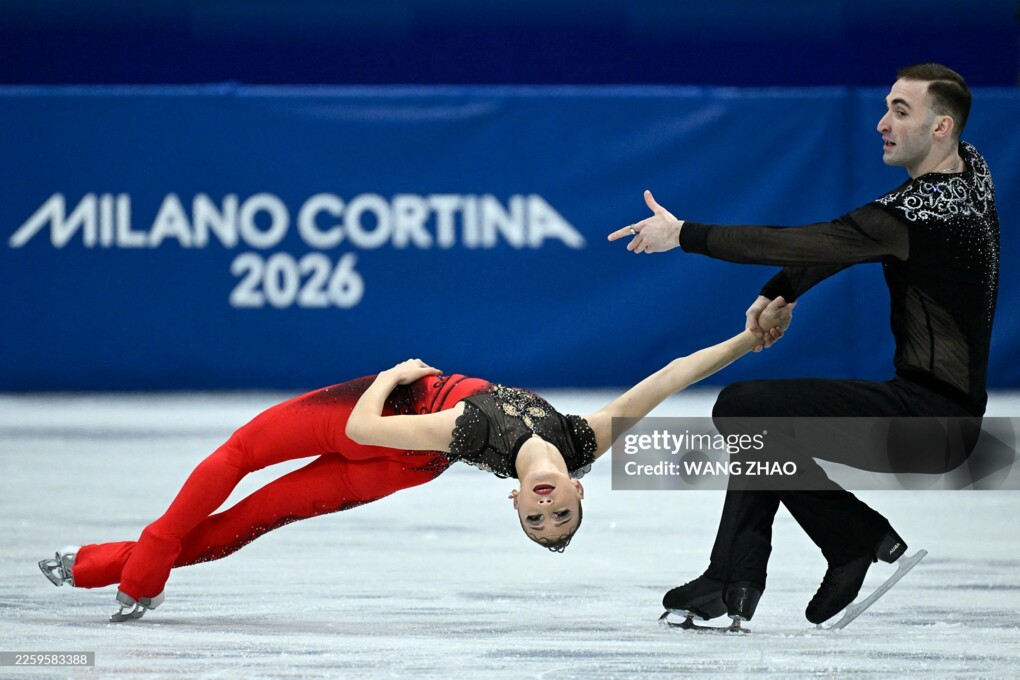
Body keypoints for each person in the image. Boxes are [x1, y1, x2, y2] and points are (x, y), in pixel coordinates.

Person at [39, 306, 791, 622]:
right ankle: (111, 567)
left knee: (245, 489)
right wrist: (746, 341)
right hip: (401, 458)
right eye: (559, 511)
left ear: (513, 503)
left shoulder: (468, 431)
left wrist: (392, 375)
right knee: (245, 493)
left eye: (536, 519)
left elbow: (364, 426)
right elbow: (670, 377)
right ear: (578, 489)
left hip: (387, 434)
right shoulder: (584, 439)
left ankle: (133, 567)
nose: (544, 505)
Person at [608, 63, 999, 625]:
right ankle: (732, 579)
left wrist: (683, 234)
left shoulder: (921, 213)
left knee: (747, 410)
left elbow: (811, 240)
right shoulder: (972, 171)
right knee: (758, 417)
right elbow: (847, 243)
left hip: (931, 425)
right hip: (941, 413)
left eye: (901, 111)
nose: (882, 123)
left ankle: (851, 539)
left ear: (941, 127)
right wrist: (783, 290)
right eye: (886, 107)